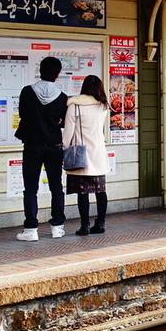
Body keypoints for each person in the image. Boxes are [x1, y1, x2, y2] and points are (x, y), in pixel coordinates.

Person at [16, 55, 68, 241]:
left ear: (40, 70)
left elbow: (22, 114)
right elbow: (64, 122)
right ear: (58, 74)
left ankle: (31, 229)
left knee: (30, 187)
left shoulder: (27, 91)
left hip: (32, 145)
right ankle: (57, 227)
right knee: (56, 186)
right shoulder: (62, 97)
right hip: (54, 145)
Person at [63, 74, 111, 236]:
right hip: (98, 153)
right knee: (100, 191)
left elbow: (68, 133)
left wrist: (65, 149)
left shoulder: (74, 106)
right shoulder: (103, 106)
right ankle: (101, 224)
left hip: (81, 154)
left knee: (82, 193)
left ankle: (85, 226)